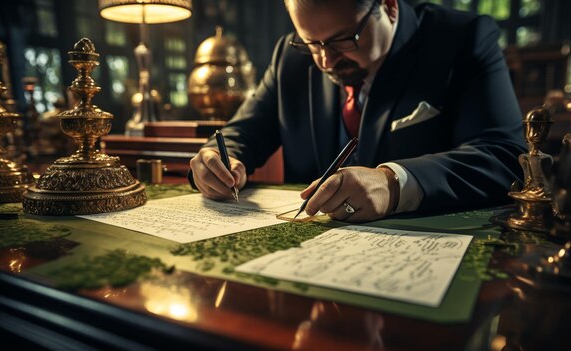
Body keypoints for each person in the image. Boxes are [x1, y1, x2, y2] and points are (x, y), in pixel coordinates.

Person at [189, 0, 526, 222]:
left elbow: (504, 156)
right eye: (310, 42)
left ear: (390, 6)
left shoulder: (461, 39)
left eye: (343, 40)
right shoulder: (291, 57)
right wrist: (218, 159)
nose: (325, 61)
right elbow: (241, 133)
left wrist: (393, 184)